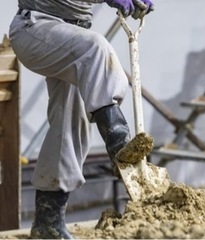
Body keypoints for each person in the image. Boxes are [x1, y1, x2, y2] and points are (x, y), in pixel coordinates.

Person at [9, 0, 154, 238]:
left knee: (70, 122)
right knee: (97, 49)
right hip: (35, 27)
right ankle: (119, 143)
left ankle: (48, 222)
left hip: (71, 34)